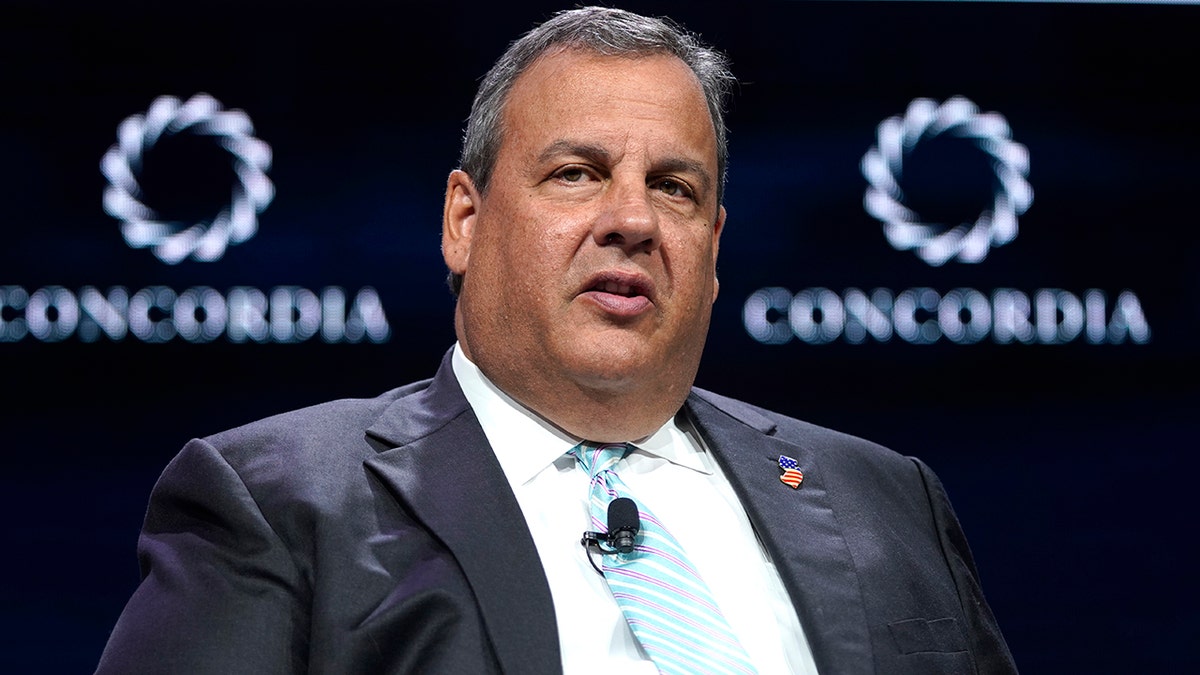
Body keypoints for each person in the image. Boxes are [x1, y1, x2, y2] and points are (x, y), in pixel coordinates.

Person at [98, 7, 1016, 674]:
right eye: (576, 174)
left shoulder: (886, 498)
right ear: (464, 220)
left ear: (715, 248)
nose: (632, 219)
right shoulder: (277, 505)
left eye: (675, 188)